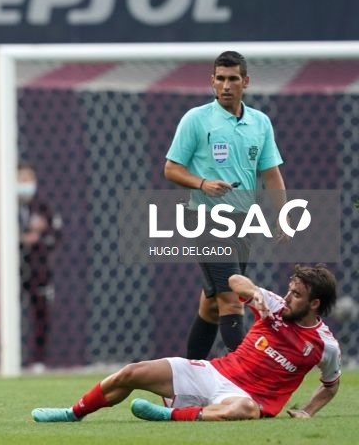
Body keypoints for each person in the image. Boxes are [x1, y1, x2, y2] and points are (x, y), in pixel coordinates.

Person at [32, 264, 340, 423]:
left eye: (296, 295)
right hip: (213, 372)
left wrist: (308, 411)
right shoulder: (272, 304)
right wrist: (254, 292)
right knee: (132, 372)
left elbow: (330, 384)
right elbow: (234, 280)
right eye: (288, 290)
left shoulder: (325, 346)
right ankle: (73, 413)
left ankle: (168, 415)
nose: (287, 298)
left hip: (246, 397)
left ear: (314, 304)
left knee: (244, 408)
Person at [164, 51, 288, 359]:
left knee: (212, 305)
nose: (226, 85)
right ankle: (247, 382)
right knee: (233, 299)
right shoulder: (196, 119)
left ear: (245, 82)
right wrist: (203, 184)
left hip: (243, 220)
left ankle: (184, 384)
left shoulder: (260, 123)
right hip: (205, 218)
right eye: (220, 78)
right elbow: (171, 168)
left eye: (233, 79)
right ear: (212, 82)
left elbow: (271, 174)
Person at [18, 162, 62, 371]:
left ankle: (38, 360)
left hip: (39, 269)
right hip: (13, 271)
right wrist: (20, 239)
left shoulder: (43, 208)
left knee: (41, 313)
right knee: (8, 313)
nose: (24, 184)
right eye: (20, 179)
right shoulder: (5, 209)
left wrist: (40, 238)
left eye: (28, 179)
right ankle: (1, 358)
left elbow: (57, 235)